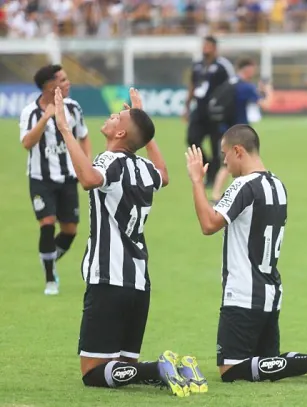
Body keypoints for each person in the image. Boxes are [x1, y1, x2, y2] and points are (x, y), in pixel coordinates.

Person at [185, 124, 307, 385]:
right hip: (270, 295)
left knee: (231, 370)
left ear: (238, 150)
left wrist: (196, 180)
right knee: (266, 365)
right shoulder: (277, 185)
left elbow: (208, 224)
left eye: (224, 155)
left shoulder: (243, 186)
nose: (224, 163)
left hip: (243, 294)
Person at [54, 86, 205, 397]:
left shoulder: (110, 159)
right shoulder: (145, 169)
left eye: (118, 116)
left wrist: (65, 130)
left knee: (93, 373)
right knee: (123, 369)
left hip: (108, 279)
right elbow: (164, 174)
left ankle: (159, 368)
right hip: (138, 282)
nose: (112, 115)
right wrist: (144, 125)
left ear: (120, 133)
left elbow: (89, 179)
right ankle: (175, 371)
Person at [19, 64, 91, 296]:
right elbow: (27, 143)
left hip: (68, 177)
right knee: (48, 223)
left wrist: (86, 165)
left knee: (70, 230)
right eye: (63, 80)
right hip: (41, 178)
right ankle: (50, 279)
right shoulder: (30, 112)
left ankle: (48, 260)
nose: (68, 83)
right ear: (51, 87)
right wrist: (46, 118)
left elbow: (84, 135)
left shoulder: (73, 108)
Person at [210, 57, 274, 202]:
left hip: (224, 130)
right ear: (248, 69)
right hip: (240, 132)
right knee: (245, 163)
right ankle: (226, 194)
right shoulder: (245, 86)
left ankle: (216, 194)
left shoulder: (231, 82)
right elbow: (266, 105)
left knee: (227, 164)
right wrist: (268, 90)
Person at [183, 35, 235, 186]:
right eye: (203, 45)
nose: (205, 48)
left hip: (216, 113)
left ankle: (211, 178)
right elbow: (192, 85)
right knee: (192, 139)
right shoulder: (197, 65)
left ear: (214, 48)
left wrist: (226, 108)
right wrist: (187, 106)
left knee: (215, 145)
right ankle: (208, 165)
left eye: (208, 46)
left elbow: (230, 87)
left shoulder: (222, 66)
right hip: (199, 110)